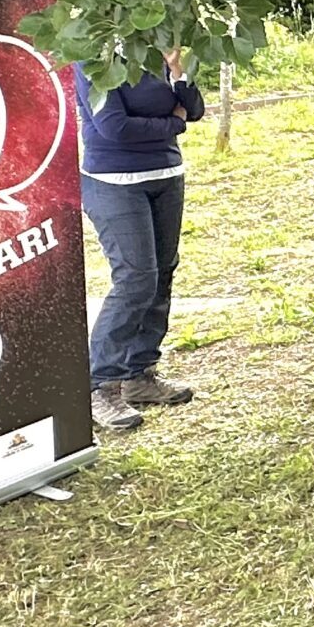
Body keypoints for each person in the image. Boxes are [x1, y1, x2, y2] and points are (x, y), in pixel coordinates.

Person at [75, 53, 207, 431]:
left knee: (163, 273)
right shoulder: (94, 57)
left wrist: (179, 73)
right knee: (135, 280)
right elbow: (114, 127)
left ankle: (139, 375)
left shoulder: (163, 56)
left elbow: (195, 108)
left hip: (167, 175)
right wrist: (173, 123)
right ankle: (100, 384)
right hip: (114, 182)